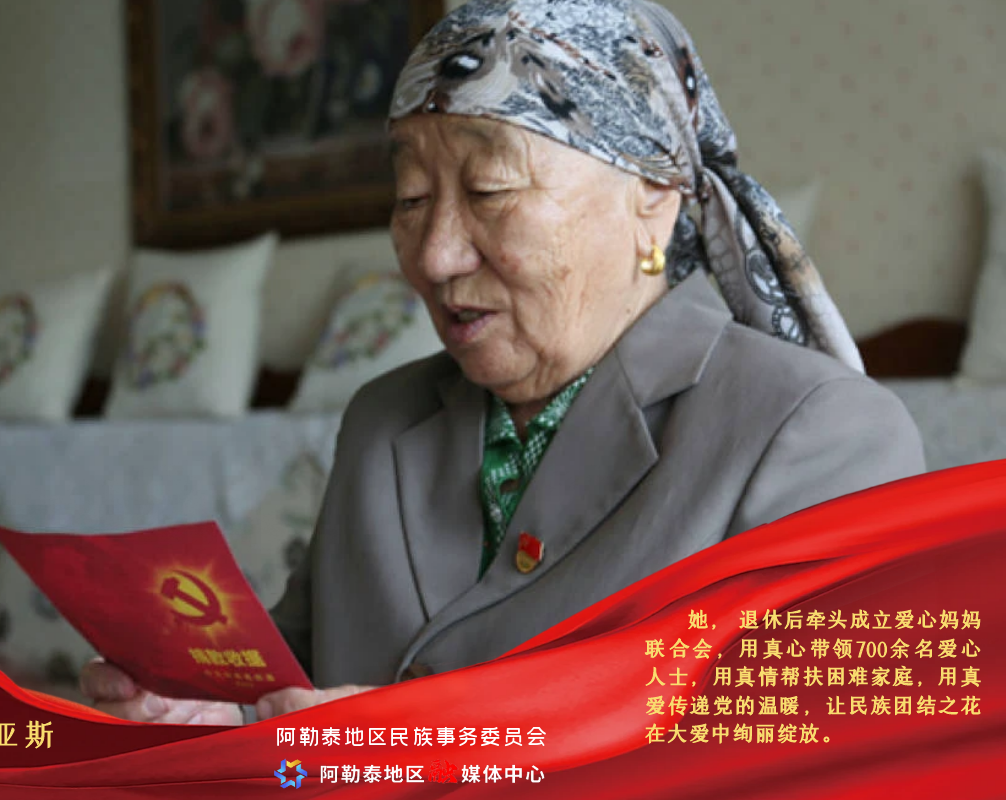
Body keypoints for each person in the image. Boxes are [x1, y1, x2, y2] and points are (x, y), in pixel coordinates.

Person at [81, 0, 924, 725]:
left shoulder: (815, 431)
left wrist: (427, 749)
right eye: (411, 199)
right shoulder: (383, 420)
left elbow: (813, 751)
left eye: (489, 191)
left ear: (653, 203)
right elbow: (295, 681)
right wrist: (211, 710)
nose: (435, 255)